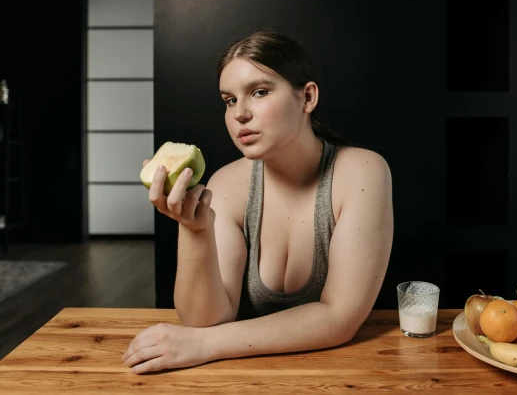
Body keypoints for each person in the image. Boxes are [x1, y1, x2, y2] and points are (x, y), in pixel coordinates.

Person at [123, 30, 394, 374]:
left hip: (341, 375)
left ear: (307, 97)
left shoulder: (362, 173)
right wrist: (195, 230)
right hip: (243, 378)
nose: (240, 114)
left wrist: (207, 345)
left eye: (260, 92)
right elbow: (203, 321)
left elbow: (339, 318)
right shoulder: (227, 183)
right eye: (230, 100)